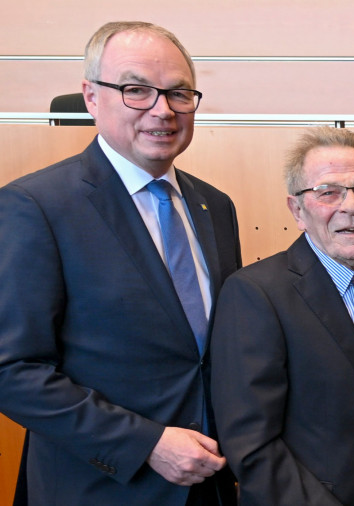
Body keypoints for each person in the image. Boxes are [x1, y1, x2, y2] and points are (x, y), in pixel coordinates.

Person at [0, 21, 241, 505]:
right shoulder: (36, 206)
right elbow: (12, 370)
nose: (162, 110)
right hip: (100, 488)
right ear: (91, 97)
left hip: (209, 485)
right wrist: (146, 444)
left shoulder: (215, 206)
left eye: (178, 93)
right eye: (137, 90)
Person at [210, 127, 354, 506]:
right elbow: (251, 444)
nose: (352, 206)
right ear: (297, 210)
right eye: (328, 193)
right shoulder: (255, 293)